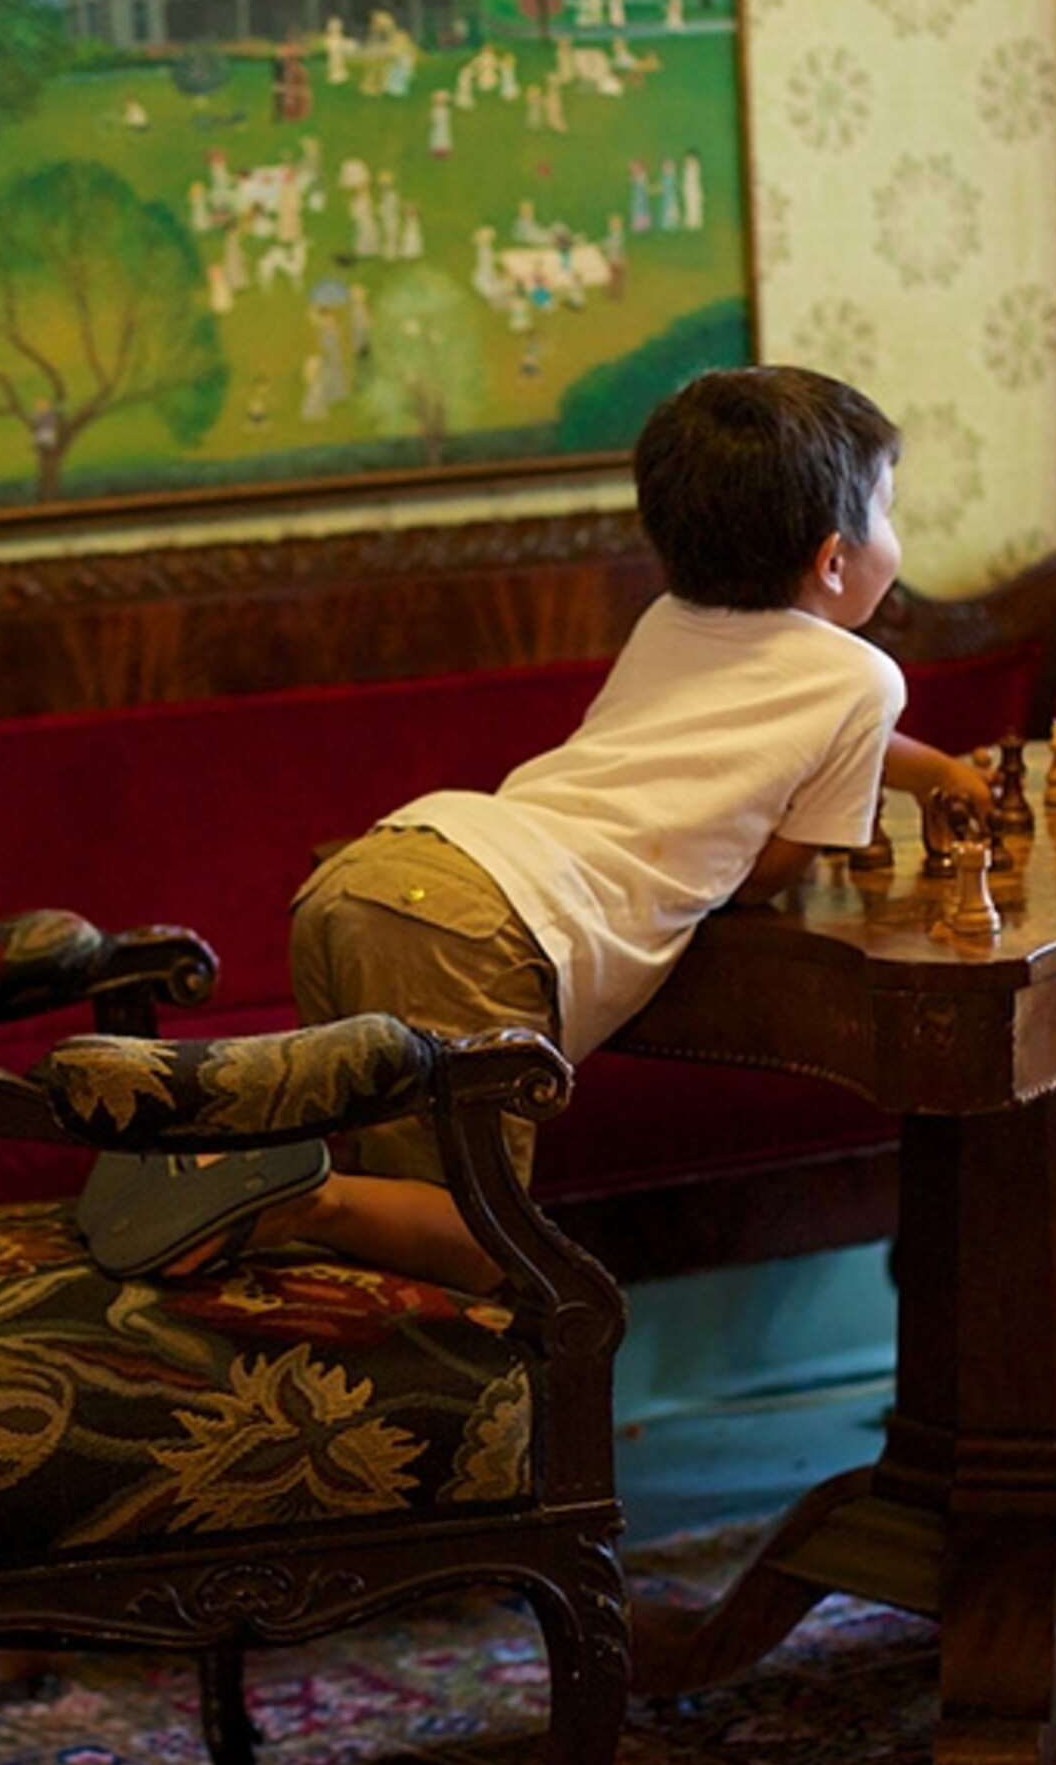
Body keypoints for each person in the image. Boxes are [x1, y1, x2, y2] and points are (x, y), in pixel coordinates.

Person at [76, 365, 989, 1295]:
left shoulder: (671, 621)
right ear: (834, 560)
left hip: (382, 870)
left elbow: (787, 725)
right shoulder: (863, 676)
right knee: (483, 1242)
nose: (896, 536)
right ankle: (278, 1194)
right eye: (888, 511)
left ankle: (210, 1146)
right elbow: (762, 875)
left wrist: (934, 773)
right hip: (482, 928)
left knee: (393, 1212)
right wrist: (839, 815)